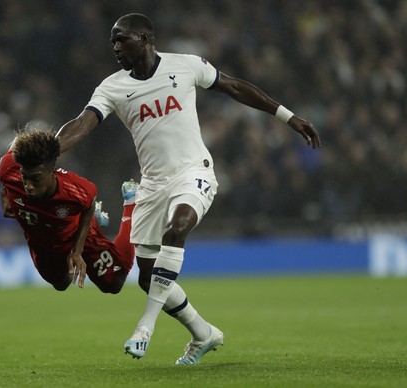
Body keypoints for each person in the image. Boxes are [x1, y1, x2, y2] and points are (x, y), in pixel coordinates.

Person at [55, 13, 321, 364]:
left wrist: (289, 116)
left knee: (177, 227)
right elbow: (82, 124)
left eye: (123, 39)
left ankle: (144, 327)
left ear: (146, 39)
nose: (116, 47)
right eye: (113, 42)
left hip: (194, 171)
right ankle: (203, 334)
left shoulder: (186, 65)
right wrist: (46, 152)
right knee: (148, 280)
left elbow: (236, 87)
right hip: (152, 185)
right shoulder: (112, 87)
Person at [0, 128, 138, 293]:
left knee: (113, 284)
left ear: (52, 172)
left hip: (76, 232)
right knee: (61, 284)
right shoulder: (8, 169)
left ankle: (132, 201)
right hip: (42, 244)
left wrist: (77, 251)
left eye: (35, 179)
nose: (28, 185)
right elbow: (13, 153)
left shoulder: (76, 190)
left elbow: (90, 203)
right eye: (24, 177)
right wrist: (6, 197)